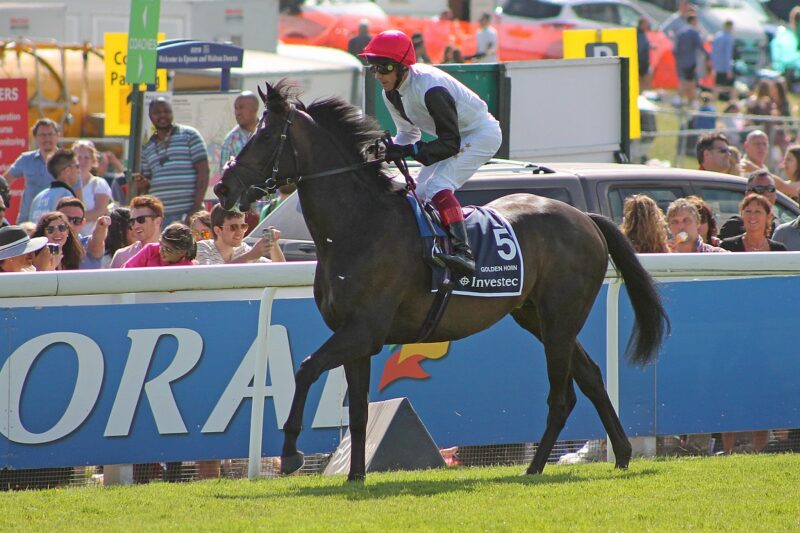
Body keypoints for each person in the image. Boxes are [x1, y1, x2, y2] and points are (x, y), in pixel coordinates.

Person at [359, 30, 503, 274]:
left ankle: (463, 252)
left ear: (402, 67)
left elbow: (449, 143)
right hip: (454, 137)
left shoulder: (431, 89)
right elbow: (409, 134)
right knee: (419, 190)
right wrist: (385, 148)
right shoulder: (391, 93)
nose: (378, 75)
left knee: (438, 186)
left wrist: (409, 150)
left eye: (384, 68)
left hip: (480, 134)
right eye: (374, 68)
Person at [136, 97, 210, 225]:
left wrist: (196, 208)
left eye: (166, 111)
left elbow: (203, 171)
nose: (162, 115)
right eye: (157, 112)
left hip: (189, 213)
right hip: (161, 217)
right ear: (150, 116)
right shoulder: (147, 147)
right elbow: (147, 184)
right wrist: (142, 184)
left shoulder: (190, 135)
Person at [1, 118, 61, 223]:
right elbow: (4, 182)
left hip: (57, 223)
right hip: (28, 222)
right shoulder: (26, 159)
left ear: (58, 136)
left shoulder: (66, 161)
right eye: (42, 135)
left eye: (50, 134)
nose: (47, 138)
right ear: (35, 138)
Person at [196, 205, 285, 265]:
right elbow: (211, 277)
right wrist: (251, 255)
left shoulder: (243, 249)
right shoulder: (202, 247)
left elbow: (281, 271)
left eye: (243, 226)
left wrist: (273, 244)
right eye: (233, 227)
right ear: (218, 230)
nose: (240, 232)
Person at [719, 170, 779, 239]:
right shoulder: (735, 226)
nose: (766, 193)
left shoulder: (779, 227)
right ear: (748, 194)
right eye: (759, 189)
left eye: (770, 188)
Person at [110, 195, 164, 268]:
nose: (135, 226)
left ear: (158, 221)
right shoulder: (122, 256)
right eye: (132, 221)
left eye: (141, 220)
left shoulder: (173, 252)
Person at [71, 140, 112, 236]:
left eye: (86, 157)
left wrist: (73, 220)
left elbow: (100, 211)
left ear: (93, 161)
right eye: (79, 157)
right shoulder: (66, 183)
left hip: (92, 237)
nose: (82, 161)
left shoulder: (99, 183)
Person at [720, 193, 786, 252]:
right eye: (748, 211)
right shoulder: (727, 247)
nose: (752, 216)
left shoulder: (779, 250)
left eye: (757, 211)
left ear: (768, 217)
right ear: (742, 215)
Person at [56, 196, 108, 269]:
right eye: (65, 219)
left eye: (76, 220)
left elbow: (97, 240)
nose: (70, 224)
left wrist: (101, 226)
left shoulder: (87, 245)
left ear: (83, 223)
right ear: (55, 219)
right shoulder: (47, 246)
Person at [29, 149, 79, 224]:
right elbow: (70, 227)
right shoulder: (66, 197)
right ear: (67, 170)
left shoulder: (38, 197)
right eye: (77, 166)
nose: (79, 170)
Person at [219, 92, 260, 174]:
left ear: (255, 109)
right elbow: (224, 175)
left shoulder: (270, 131)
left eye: (241, 108)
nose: (237, 112)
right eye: (236, 108)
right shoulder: (230, 142)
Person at [123, 222, 196, 268]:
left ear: (182, 252)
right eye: (160, 244)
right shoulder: (150, 250)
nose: (161, 251)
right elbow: (127, 269)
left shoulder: (188, 268)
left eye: (168, 249)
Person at [674, 14, 708, 107]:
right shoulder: (694, 32)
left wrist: (677, 59)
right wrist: (708, 55)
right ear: (693, 21)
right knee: (691, 81)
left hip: (681, 61)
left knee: (683, 79)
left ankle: (680, 99)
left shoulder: (680, 32)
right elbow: (700, 45)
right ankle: (690, 100)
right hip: (691, 61)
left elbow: (675, 48)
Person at [711, 20, 735, 101]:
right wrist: (729, 70)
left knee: (717, 85)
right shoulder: (728, 38)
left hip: (717, 65)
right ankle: (732, 102)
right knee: (731, 87)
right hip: (724, 66)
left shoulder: (717, 36)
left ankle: (714, 100)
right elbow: (727, 55)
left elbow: (713, 52)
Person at [637, 17, 652, 91]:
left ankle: (643, 93)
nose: (648, 25)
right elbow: (639, 47)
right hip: (640, 60)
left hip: (644, 60)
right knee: (642, 79)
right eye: (646, 24)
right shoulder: (638, 34)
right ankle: (641, 93)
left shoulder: (643, 33)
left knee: (646, 79)